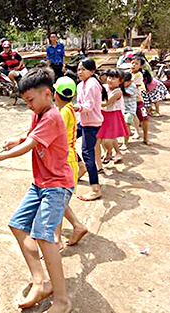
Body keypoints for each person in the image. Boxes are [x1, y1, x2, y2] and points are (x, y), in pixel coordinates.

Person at [0, 67, 74, 312]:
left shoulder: (52, 116)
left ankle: (62, 301)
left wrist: (1, 156)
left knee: (44, 235)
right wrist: (16, 140)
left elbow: (31, 145)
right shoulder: (39, 113)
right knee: (17, 224)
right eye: (25, 101)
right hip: (41, 184)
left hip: (56, 186)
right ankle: (41, 282)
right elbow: (30, 137)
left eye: (30, 100)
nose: (28, 105)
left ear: (47, 94)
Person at [53, 77, 88, 250]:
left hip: (64, 162)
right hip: (68, 159)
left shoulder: (63, 112)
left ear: (55, 94)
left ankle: (56, 240)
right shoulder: (68, 109)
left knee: (57, 202)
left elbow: (51, 134)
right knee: (60, 201)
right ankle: (77, 226)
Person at [74, 58, 104, 201]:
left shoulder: (92, 84)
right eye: (78, 69)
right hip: (83, 121)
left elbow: (88, 106)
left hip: (91, 124)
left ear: (92, 71)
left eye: (83, 69)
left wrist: (76, 108)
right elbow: (81, 103)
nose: (80, 72)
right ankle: (81, 167)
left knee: (87, 153)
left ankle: (95, 188)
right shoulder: (80, 85)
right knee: (66, 140)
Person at [96, 69, 130, 165]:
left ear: (120, 81)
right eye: (110, 77)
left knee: (108, 139)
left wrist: (93, 102)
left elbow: (106, 103)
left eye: (114, 78)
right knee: (104, 136)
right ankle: (113, 152)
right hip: (103, 114)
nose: (110, 80)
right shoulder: (104, 87)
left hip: (113, 115)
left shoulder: (117, 92)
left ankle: (109, 152)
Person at [130, 57, 151, 145]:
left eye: (136, 63)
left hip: (138, 100)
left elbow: (133, 84)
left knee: (144, 117)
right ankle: (136, 132)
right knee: (132, 118)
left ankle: (146, 137)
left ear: (140, 66)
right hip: (129, 100)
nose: (133, 65)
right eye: (132, 63)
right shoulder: (128, 73)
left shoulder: (139, 75)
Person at [122, 72, 139, 149]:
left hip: (130, 109)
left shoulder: (132, 86)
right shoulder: (121, 86)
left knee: (126, 124)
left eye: (124, 82)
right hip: (121, 109)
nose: (122, 83)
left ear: (130, 81)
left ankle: (125, 143)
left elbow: (124, 93)